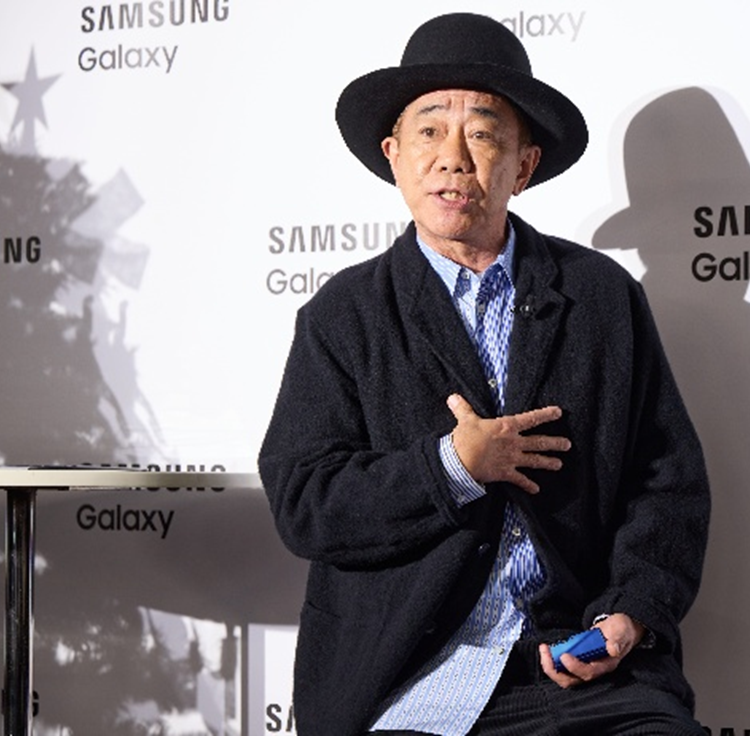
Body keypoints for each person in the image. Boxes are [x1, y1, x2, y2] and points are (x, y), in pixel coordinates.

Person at [256, 13, 709, 735]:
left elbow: (664, 482)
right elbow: (305, 501)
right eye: (430, 131)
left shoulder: (600, 298)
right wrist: (451, 468)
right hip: (410, 677)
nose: (453, 158)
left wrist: (629, 612)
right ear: (394, 156)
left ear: (523, 166)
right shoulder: (342, 314)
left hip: (580, 667)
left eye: (484, 134)